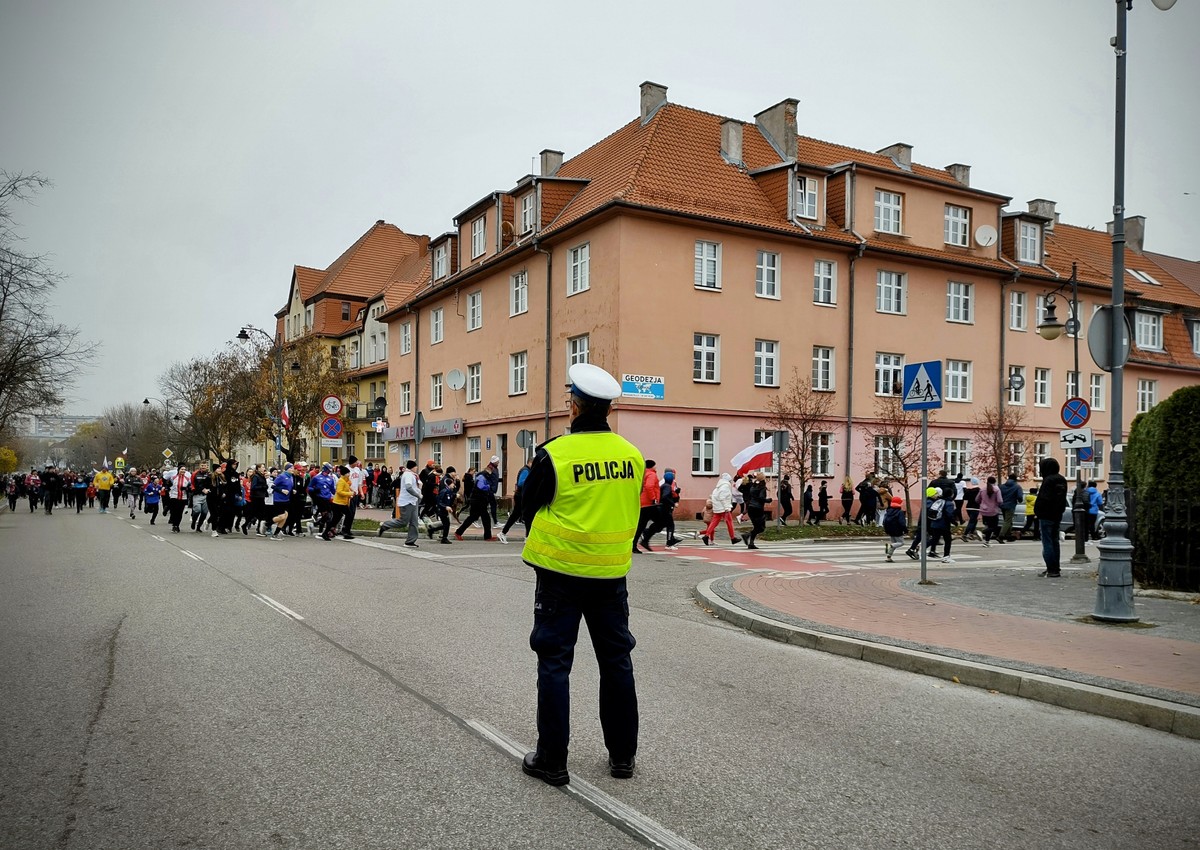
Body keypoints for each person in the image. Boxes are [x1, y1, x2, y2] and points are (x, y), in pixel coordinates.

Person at [517, 362, 643, 786]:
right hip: (611, 576)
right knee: (617, 662)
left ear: (574, 407)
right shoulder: (632, 455)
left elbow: (526, 504)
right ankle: (622, 757)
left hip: (560, 575)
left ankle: (552, 760)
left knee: (555, 663)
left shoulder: (555, 454)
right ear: (606, 409)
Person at [1034, 457, 1069, 577]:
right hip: (1057, 514)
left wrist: (1037, 511)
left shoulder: (1048, 480)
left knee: (1047, 542)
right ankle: (1056, 568)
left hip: (1046, 515)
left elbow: (1044, 498)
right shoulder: (1062, 479)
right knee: (1055, 541)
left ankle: (1051, 568)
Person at [378, 459, 421, 546]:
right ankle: (385, 525)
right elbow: (408, 487)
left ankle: (410, 541)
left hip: (413, 501)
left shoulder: (413, 475)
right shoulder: (408, 475)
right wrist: (417, 495)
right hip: (406, 502)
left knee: (414, 522)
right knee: (403, 522)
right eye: (416, 466)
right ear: (412, 467)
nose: (417, 468)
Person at [454, 463, 496, 541]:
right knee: (484, 518)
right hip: (478, 500)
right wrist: (488, 486)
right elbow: (481, 486)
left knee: (474, 517)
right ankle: (487, 536)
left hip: (478, 500)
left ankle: (459, 532)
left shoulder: (482, 476)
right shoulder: (482, 477)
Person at [643, 468, 682, 549]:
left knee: (660, 525)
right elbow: (665, 497)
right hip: (664, 508)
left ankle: (646, 534)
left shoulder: (666, 485)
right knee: (670, 525)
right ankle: (669, 542)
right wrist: (673, 503)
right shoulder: (666, 486)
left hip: (662, 508)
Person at [498, 458, 533, 544]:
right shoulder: (525, 470)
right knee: (527, 517)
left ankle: (503, 533)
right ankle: (527, 537)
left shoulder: (527, 470)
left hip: (522, 496)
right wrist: (531, 480)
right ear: (530, 462)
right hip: (521, 496)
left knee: (517, 516)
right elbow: (521, 483)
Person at [701, 473, 740, 546]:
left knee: (714, 522)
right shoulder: (725, 487)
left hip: (717, 507)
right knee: (729, 522)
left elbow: (714, 496)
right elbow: (722, 497)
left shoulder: (718, 486)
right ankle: (733, 538)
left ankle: (706, 536)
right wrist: (726, 508)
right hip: (723, 508)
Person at [634, 460, 660, 553]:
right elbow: (649, 486)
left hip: (642, 503)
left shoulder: (642, 474)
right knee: (661, 521)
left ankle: (634, 544)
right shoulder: (651, 474)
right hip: (649, 503)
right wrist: (653, 498)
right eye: (655, 466)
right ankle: (645, 537)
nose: (656, 468)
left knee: (641, 524)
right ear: (652, 466)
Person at [740, 471, 770, 549]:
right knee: (761, 528)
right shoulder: (762, 487)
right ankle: (747, 535)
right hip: (758, 509)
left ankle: (751, 543)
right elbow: (761, 498)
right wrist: (768, 500)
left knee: (756, 526)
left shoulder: (753, 486)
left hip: (751, 508)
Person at [323, 466, 353, 542]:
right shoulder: (341, 481)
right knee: (347, 515)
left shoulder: (345, 480)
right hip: (338, 503)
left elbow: (349, 485)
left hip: (343, 503)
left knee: (337, 519)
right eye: (348, 473)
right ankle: (345, 531)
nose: (349, 474)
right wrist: (350, 493)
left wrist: (351, 491)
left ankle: (328, 532)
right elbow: (339, 492)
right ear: (345, 474)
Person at [268, 464, 294, 539]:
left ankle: (275, 534)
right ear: (287, 469)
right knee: (282, 516)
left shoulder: (291, 477)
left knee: (285, 517)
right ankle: (267, 523)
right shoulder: (281, 476)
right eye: (291, 468)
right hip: (278, 499)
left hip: (287, 499)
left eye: (293, 468)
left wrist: (292, 491)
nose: (293, 469)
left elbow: (288, 487)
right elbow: (273, 486)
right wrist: (282, 490)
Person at [164, 463, 191, 533]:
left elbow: (191, 487)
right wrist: (167, 487)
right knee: (174, 511)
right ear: (178, 470)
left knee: (180, 512)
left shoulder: (187, 479)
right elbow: (167, 483)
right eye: (182, 469)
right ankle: (174, 524)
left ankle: (177, 525)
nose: (183, 471)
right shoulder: (173, 478)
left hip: (183, 497)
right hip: (174, 496)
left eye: (184, 470)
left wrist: (186, 488)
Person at [977, 476, 1003, 546]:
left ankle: (986, 542)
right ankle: (982, 532)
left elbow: (977, 499)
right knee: (994, 527)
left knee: (988, 526)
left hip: (984, 511)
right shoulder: (997, 489)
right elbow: (1000, 500)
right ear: (995, 482)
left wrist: (982, 503)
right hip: (993, 511)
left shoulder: (982, 489)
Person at [999, 473, 1023, 543]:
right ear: (1015, 479)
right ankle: (1001, 535)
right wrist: (1019, 500)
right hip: (1011, 505)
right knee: (1007, 521)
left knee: (1008, 521)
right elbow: (1019, 497)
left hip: (1002, 505)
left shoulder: (1002, 486)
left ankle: (1008, 536)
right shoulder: (1017, 486)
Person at [882, 496, 907, 562]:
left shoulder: (888, 511)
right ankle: (891, 546)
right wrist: (905, 530)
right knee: (901, 543)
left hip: (889, 530)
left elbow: (884, 521)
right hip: (897, 530)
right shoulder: (900, 512)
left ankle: (889, 557)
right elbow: (902, 523)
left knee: (894, 544)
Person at [961, 477, 981, 542]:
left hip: (968, 507)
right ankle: (965, 534)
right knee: (972, 521)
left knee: (974, 521)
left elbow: (965, 499)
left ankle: (971, 533)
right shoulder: (979, 491)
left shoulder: (968, 491)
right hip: (976, 507)